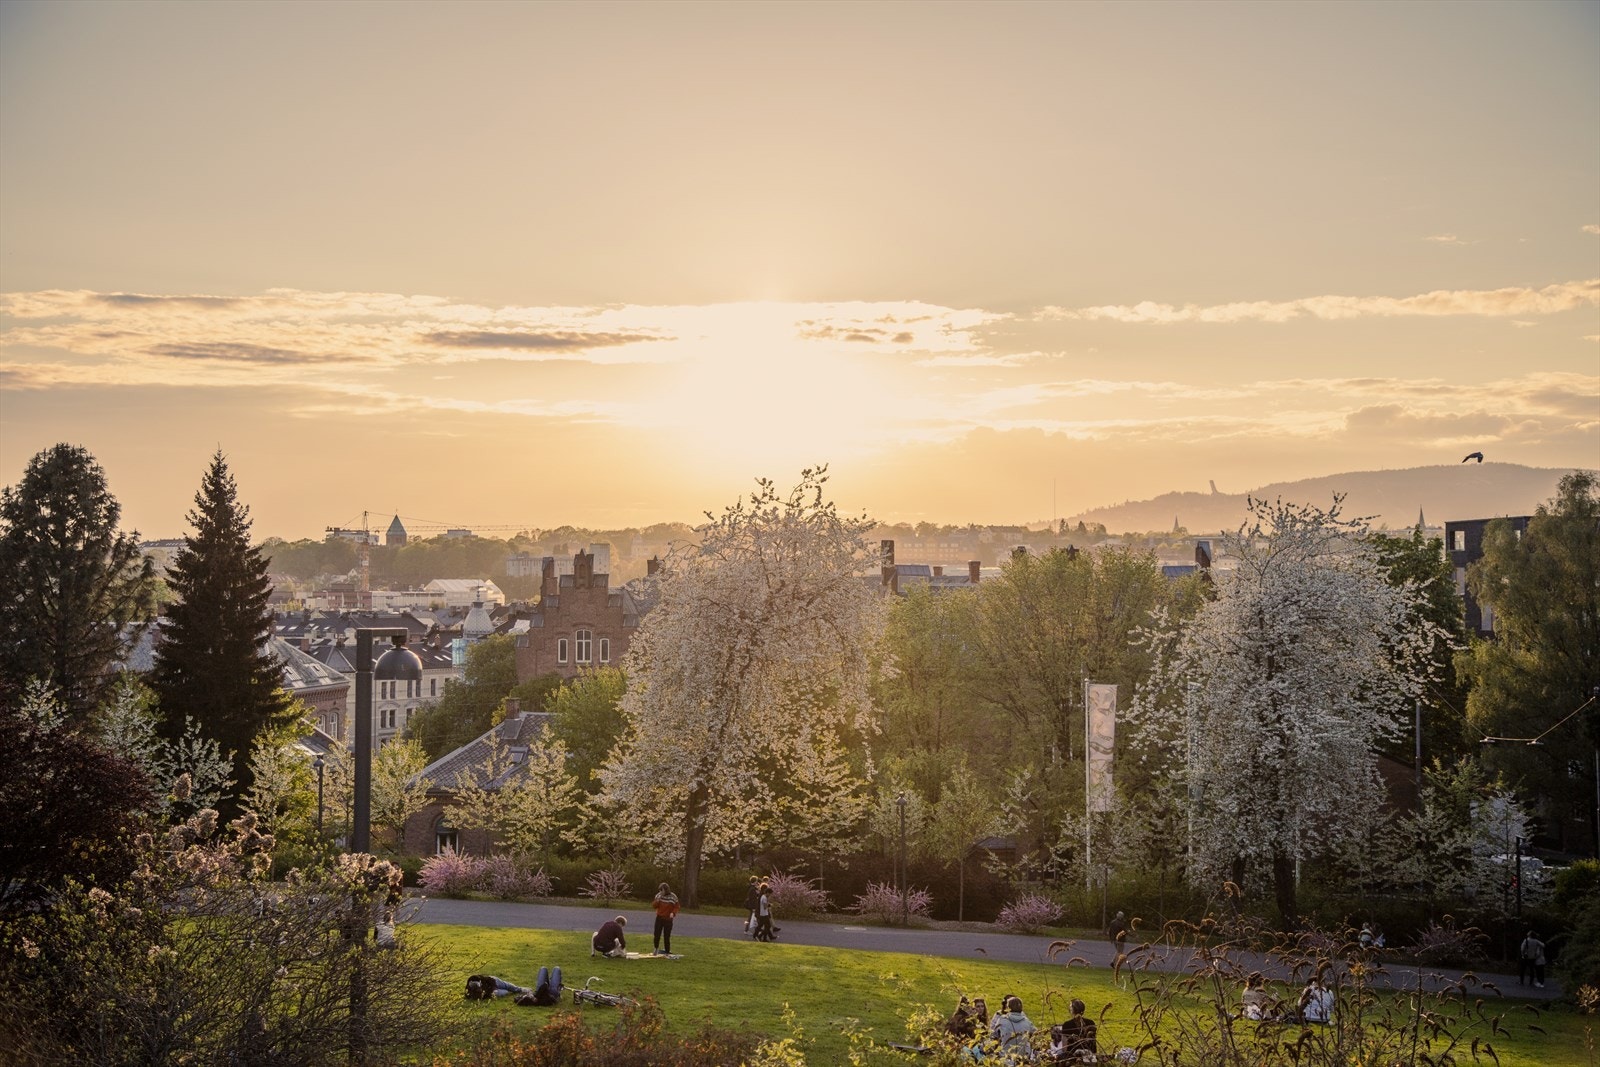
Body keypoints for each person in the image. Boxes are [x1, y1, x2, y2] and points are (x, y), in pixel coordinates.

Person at [989, 995, 1036, 1062]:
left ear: (1008, 1008)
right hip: (1023, 1058)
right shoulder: (1027, 1022)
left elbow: (993, 1035)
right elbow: (1036, 1033)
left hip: (1005, 1057)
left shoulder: (1002, 1019)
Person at [652, 881, 681, 955]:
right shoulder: (658, 896)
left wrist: (673, 913)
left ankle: (667, 951)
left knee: (667, 936)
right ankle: (656, 948)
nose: (660, 892)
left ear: (666, 889)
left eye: (662, 890)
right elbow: (654, 906)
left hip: (668, 919)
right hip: (659, 918)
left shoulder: (673, 896)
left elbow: (677, 907)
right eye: (660, 890)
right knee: (656, 934)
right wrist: (658, 900)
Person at [465, 974, 529, 1000]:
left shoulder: (480, 978)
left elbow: (491, 980)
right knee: (505, 992)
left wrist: (494, 988)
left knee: (507, 985)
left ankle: (520, 989)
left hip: (494, 982)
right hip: (492, 992)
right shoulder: (471, 992)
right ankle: (510, 991)